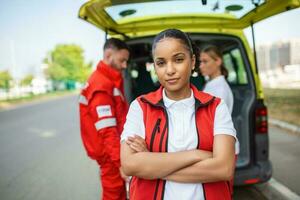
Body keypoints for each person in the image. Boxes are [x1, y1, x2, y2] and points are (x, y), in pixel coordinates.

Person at [120, 29, 238, 200]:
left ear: (192, 62)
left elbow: (224, 169)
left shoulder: (216, 106)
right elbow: (130, 165)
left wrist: (152, 163)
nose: (169, 70)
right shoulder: (140, 107)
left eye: (178, 60)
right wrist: (197, 154)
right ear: (155, 67)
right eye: (161, 63)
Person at [79, 38, 130, 200]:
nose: (125, 65)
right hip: (110, 156)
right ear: (108, 55)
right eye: (122, 60)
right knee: (113, 194)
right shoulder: (101, 85)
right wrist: (120, 163)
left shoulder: (109, 81)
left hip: (113, 154)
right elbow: (107, 131)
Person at [199, 45, 234, 113]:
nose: (200, 66)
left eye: (205, 61)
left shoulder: (220, 90)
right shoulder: (211, 83)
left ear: (218, 61)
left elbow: (213, 119)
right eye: (200, 62)